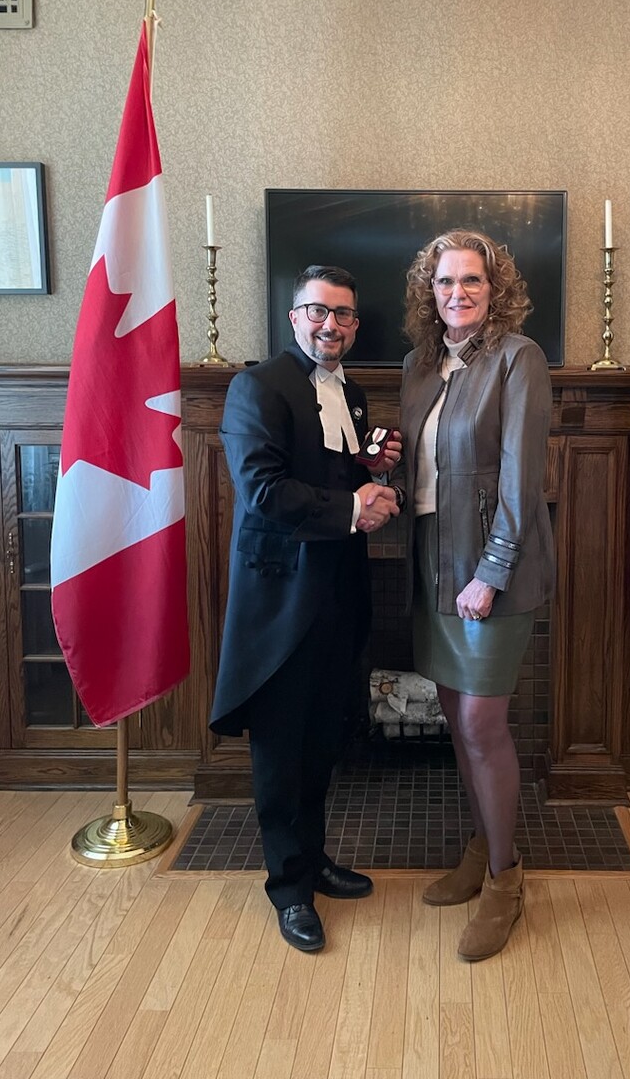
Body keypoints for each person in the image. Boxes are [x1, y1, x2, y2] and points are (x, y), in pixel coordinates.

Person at [210, 265, 401, 953]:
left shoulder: (349, 395)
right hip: (280, 601)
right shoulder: (255, 387)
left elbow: (332, 478)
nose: (332, 325)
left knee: (321, 739)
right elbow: (264, 491)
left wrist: (370, 472)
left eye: (345, 316)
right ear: (294, 318)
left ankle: (313, 859)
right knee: (280, 749)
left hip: (338, 592)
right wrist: (355, 505)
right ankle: (287, 888)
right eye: (319, 312)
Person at [399, 229, 555, 962]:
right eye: (444, 282)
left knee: (484, 725)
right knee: (457, 721)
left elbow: (523, 486)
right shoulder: (419, 365)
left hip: (493, 565)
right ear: (428, 293)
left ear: (496, 290)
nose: (456, 293)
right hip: (434, 561)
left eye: (471, 281)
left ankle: (505, 880)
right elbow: (426, 477)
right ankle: (481, 846)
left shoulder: (518, 358)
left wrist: (489, 575)